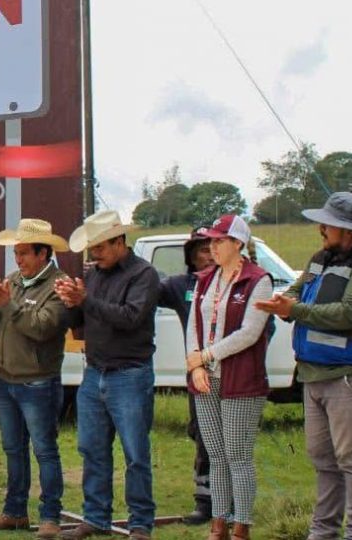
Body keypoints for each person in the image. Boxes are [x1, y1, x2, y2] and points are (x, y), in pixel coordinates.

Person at [256, 193, 352, 540]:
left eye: (327, 223)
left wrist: (294, 311)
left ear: (348, 230)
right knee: (322, 458)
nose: (320, 228)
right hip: (313, 373)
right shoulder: (322, 257)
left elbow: (351, 314)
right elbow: (299, 288)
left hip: (350, 376)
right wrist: (282, 299)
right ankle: (323, 532)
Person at [55, 210, 160, 540]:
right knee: (92, 449)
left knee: (135, 453)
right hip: (95, 371)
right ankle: (96, 517)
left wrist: (87, 299)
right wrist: (72, 303)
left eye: (99, 247)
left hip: (130, 373)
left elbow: (130, 317)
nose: (93, 254)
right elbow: (80, 322)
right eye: (91, 248)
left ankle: (141, 522)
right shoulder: (96, 274)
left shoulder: (144, 275)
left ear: (119, 242)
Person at [0, 218, 69, 539]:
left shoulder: (60, 285)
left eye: (25, 253)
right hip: (7, 379)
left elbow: (42, 328)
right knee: (13, 449)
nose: (19, 260)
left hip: (38, 381)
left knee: (45, 450)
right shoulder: (13, 281)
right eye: (16, 253)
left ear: (44, 253)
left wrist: (6, 303)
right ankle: (15, 512)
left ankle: (50, 516)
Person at [185, 215, 273, 540]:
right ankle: (218, 521)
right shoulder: (205, 279)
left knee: (238, 454)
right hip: (206, 378)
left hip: (240, 379)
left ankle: (242, 525)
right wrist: (195, 366)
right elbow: (194, 324)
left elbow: (250, 332)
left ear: (238, 243)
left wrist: (206, 356)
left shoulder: (258, 280)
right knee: (216, 453)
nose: (213, 246)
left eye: (220, 240)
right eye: (211, 240)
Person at [157, 226, 215, 525]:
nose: (210, 255)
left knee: (232, 440)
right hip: (198, 376)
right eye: (202, 250)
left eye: (214, 247)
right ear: (191, 256)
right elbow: (145, 290)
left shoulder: (242, 281)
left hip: (234, 374)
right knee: (202, 436)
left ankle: (232, 502)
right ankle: (205, 502)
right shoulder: (181, 286)